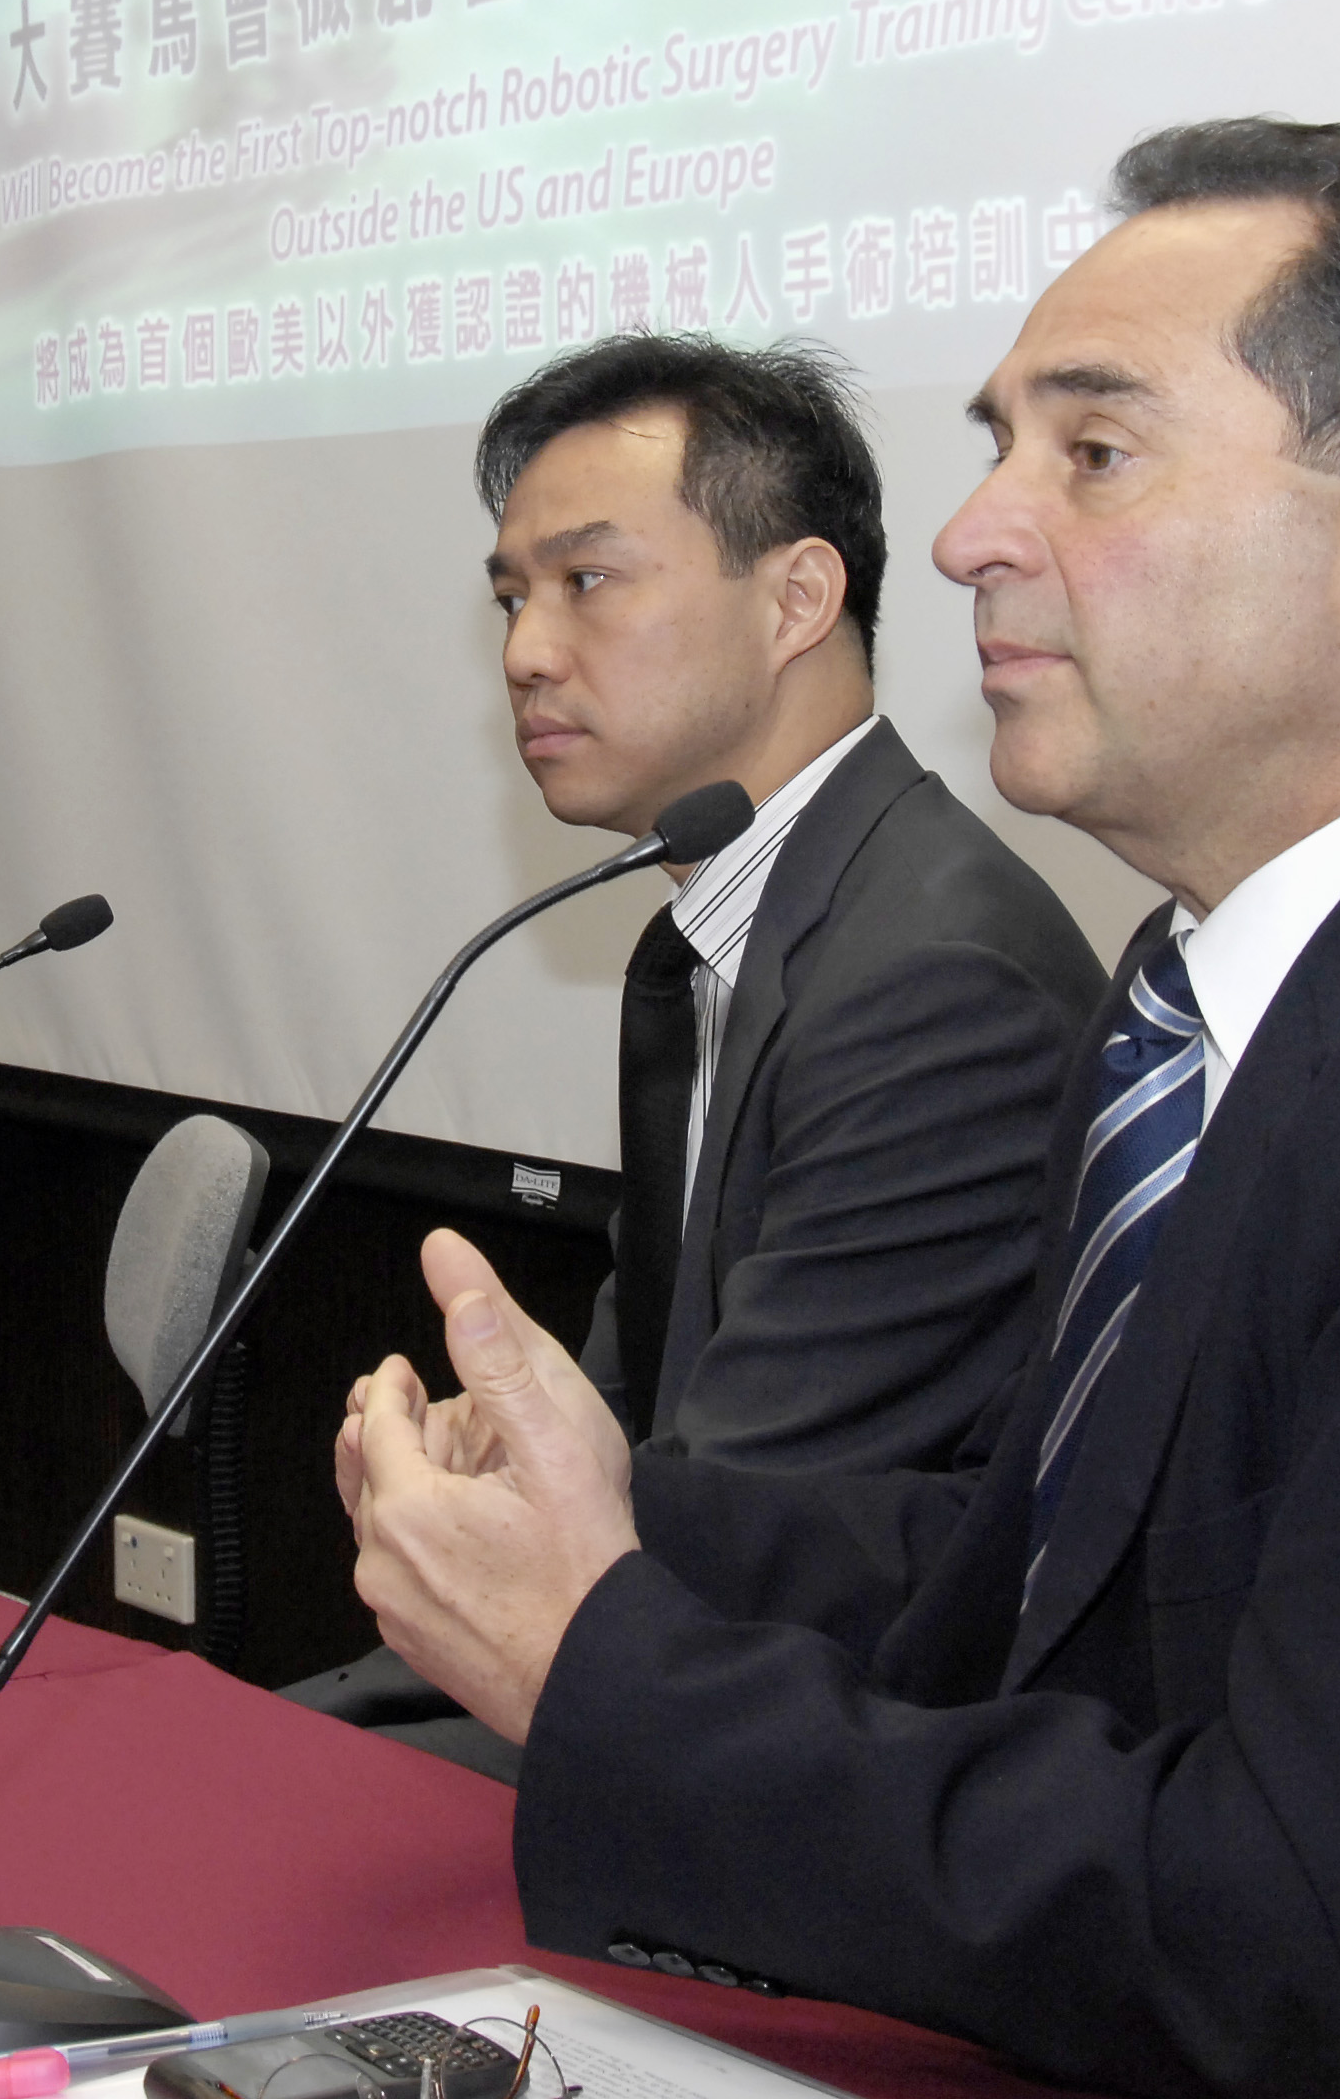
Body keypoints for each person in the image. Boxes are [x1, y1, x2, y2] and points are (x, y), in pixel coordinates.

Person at [334, 122, 1340, 2096]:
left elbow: (1288, 1932)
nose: (962, 537)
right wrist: (610, 1512)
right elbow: (1042, 1565)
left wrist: (602, 1663)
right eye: (995, 442)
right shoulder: (1237, 970)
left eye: (1088, 453)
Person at [292, 337, 1104, 1778]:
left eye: (588, 582)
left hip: (827, 1751)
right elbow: (646, 1400)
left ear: (798, 597)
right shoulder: (720, 928)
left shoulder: (932, 983)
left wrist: (508, 1510)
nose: (527, 651)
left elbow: (757, 1513)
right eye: (512, 599)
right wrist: (488, 1446)